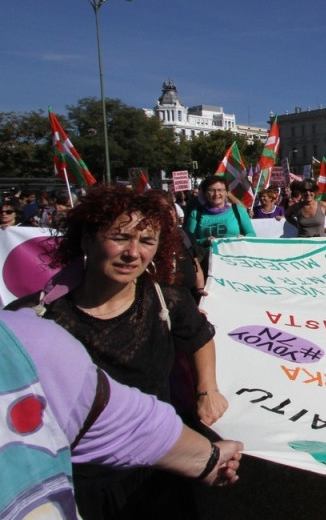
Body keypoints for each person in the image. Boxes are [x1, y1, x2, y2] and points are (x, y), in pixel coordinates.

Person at [6, 184, 229, 518]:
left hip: (159, 468)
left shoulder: (167, 301)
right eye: (121, 237)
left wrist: (207, 389)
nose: (133, 252)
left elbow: (199, 337)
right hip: (80, 480)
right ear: (86, 239)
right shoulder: (35, 320)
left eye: (147, 241)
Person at [0, 309, 243, 519]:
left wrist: (209, 458)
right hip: (89, 484)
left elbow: (119, 418)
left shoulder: (27, 340)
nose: (133, 253)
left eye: (148, 249)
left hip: (150, 472)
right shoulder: (46, 315)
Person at [184, 176, 256, 247]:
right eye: (211, 190)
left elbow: (251, 234)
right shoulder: (196, 213)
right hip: (207, 257)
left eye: (220, 190)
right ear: (205, 193)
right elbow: (188, 241)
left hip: (235, 255)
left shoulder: (238, 210)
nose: (216, 194)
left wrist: (244, 238)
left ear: (227, 192)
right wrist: (204, 241)